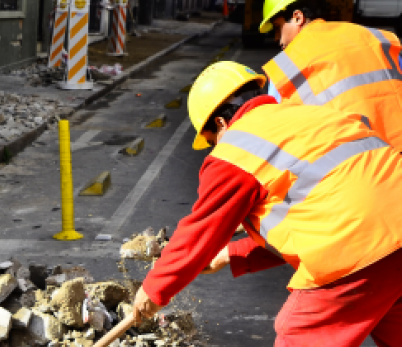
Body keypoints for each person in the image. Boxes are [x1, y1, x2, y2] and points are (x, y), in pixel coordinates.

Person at [129, 61, 402, 346]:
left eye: (211, 140)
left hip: (360, 240)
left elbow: (200, 229)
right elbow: (313, 217)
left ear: (221, 123)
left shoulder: (236, 147)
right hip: (388, 234)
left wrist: (153, 290)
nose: (215, 148)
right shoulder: (305, 115)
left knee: (298, 333)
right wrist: (230, 254)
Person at [258, 0, 402, 148]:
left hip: (345, 167)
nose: (277, 39)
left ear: (297, 17)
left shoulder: (288, 65)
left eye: (278, 27)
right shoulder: (376, 39)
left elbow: (276, 137)